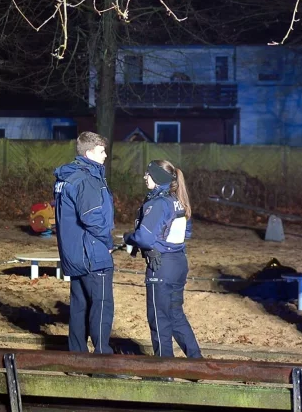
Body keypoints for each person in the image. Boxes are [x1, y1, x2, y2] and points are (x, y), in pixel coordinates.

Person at [123, 160, 202, 359]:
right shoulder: (179, 200)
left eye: (148, 173)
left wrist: (128, 238)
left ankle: (164, 370)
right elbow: (187, 233)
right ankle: (196, 362)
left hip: (161, 267)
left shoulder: (158, 203)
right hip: (179, 263)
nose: (144, 177)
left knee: (159, 318)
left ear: (158, 177)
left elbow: (144, 237)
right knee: (175, 315)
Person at [54, 131, 115, 355]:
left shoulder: (67, 178)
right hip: (93, 254)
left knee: (79, 307)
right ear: (89, 153)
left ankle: (77, 358)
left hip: (75, 254)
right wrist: (107, 240)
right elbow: (92, 217)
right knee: (101, 307)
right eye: (101, 151)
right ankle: (102, 359)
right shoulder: (87, 179)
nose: (106, 155)